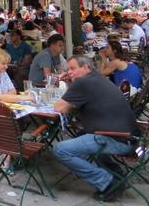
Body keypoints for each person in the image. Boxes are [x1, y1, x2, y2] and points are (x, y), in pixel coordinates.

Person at [53, 56, 141, 201]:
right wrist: (70, 83)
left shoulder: (83, 82)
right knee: (81, 137)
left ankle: (107, 182)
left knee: (60, 149)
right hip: (130, 138)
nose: (69, 72)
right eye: (68, 69)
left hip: (115, 139)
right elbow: (75, 100)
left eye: (73, 68)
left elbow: (59, 107)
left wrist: (68, 84)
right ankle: (115, 174)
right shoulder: (97, 79)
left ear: (86, 68)